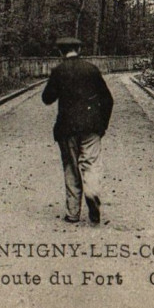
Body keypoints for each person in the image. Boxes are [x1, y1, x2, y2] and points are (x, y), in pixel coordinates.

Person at [42, 36, 114, 224]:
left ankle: (73, 213)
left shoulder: (58, 71)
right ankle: (92, 193)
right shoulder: (92, 69)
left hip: (67, 128)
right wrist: (102, 125)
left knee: (71, 167)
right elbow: (108, 99)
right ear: (79, 50)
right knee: (91, 164)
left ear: (60, 52)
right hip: (92, 127)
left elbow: (47, 98)